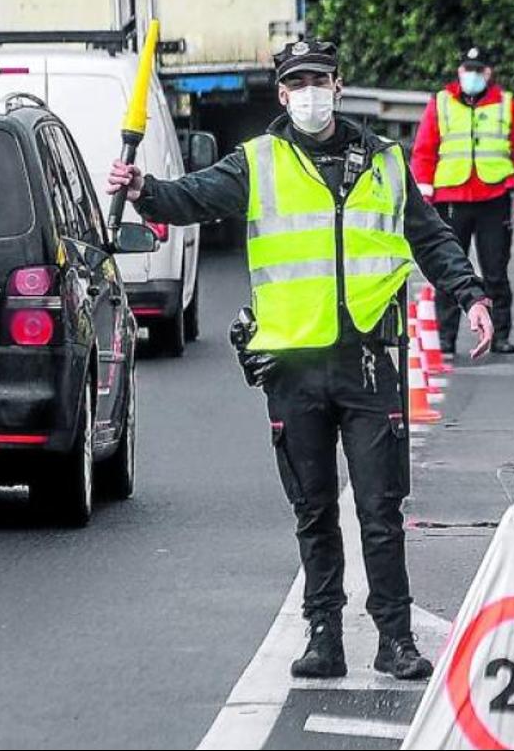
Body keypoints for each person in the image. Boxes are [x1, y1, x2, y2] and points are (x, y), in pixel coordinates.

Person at [107, 40, 494, 681]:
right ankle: (324, 637)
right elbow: (191, 199)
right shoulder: (257, 163)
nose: (310, 92)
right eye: (297, 83)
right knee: (313, 511)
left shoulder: (386, 164)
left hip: (369, 360)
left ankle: (395, 639)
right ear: (282, 95)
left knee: (380, 511)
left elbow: (431, 238)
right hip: (292, 365)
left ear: (338, 86)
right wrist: (145, 189)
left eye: (319, 79)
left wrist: (472, 296)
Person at [410, 47, 514, 355]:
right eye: (468, 69)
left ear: (488, 73)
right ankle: (445, 338)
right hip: (450, 200)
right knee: (449, 269)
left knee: (496, 270)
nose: (472, 75)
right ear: (459, 71)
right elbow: (424, 149)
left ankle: (500, 334)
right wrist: (422, 194)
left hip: (493, 198)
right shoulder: (441, 103)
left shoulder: (506, 105)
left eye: (478, 70)